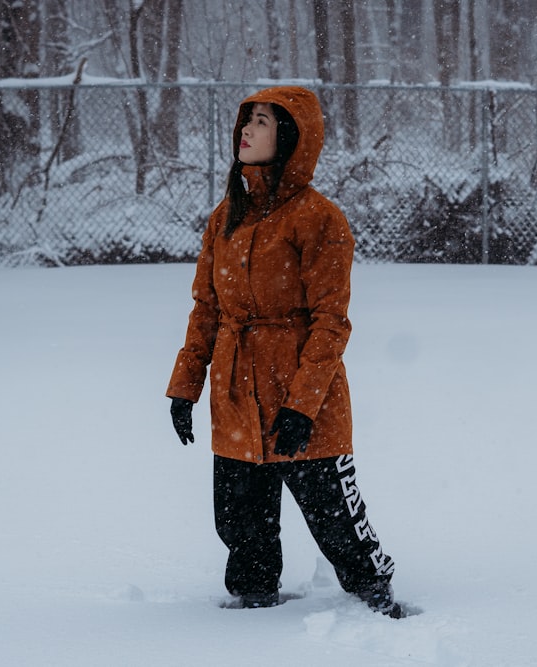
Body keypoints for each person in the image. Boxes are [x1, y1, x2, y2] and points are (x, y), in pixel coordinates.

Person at [166, 86, 402, 618]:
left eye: (263, 121)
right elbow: (206, 309)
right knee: (239, 520)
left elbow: (330, 322)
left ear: (292, 137)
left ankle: (375, 595)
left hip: (301, 398)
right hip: (234, 394)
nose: (246, 130)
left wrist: (302, 404)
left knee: (334, 517)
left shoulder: (319, 218)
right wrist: (185, 387)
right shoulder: (224, 216)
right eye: (246, 119)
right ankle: (253, 610)